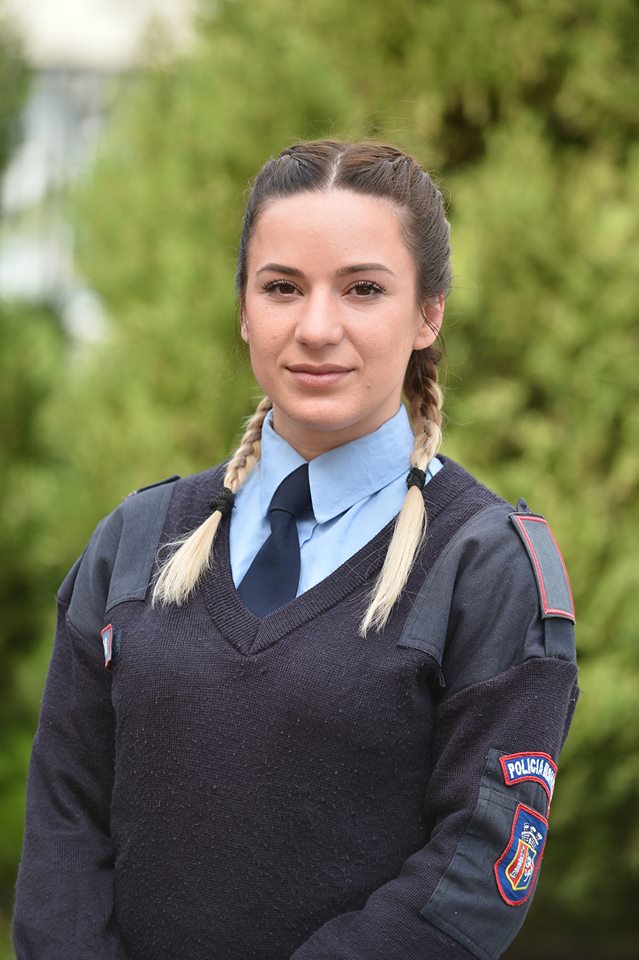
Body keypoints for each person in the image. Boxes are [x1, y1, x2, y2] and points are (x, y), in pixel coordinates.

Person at [13, 139, 578, 960]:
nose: (316, 328)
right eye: (281, 287)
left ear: (428, 314)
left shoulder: (485, 567)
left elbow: (475, 874)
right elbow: (64, 827)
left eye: (362, 289)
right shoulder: (134, 542)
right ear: (244, 309)